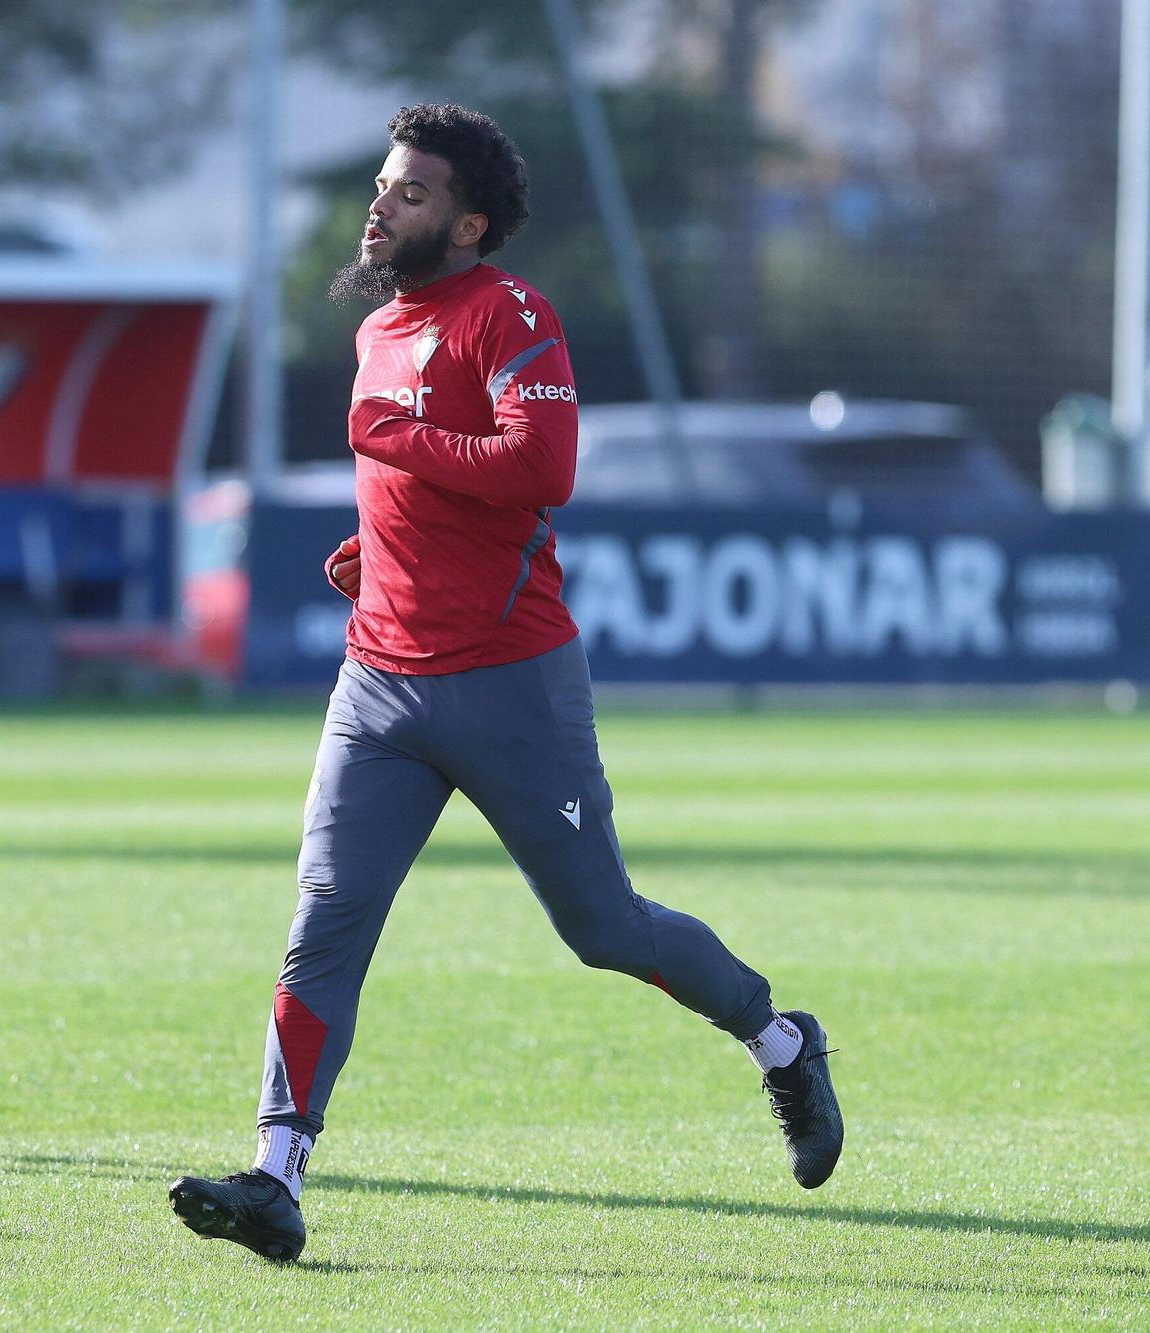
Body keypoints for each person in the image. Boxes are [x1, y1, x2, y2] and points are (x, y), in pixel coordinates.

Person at [168, 104, 843, 1262]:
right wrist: (374, 547)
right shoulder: (380, 327)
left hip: (509, 686)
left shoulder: (510, 313)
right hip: (377, 681)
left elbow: (542, 468)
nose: (381, 204)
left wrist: (393, 442)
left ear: (470, 225)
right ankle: (275, 1176)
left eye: (411, 193)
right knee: (323, 921)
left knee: (601, 928)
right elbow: (423, 468)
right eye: (383, 185)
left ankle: (780, 1041)